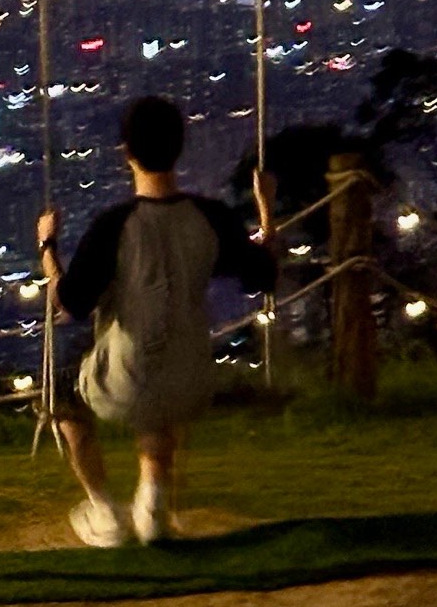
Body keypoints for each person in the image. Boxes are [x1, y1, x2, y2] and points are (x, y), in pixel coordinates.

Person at [37, 93, 279, 548]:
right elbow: (262, 275)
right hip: (192, 379)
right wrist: (266, 206)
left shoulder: (114, 226)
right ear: (179, 147)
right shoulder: (212, 218)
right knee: (160, 383)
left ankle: (105, 511)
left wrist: (48, 249)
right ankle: (152, 506)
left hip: (127, 380)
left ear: (126, 153)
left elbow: (68, 303)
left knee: (65, 394)